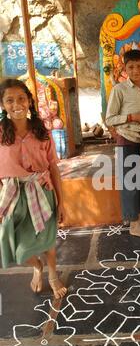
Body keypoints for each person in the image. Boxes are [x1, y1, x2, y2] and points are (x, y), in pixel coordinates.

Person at [0, 78, 67, 299]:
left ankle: (53, 275)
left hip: (42, 191)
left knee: (47, 239)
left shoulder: (42, 132)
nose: (16, 104)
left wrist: (61, 201)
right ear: (2, 105)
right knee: (13, 245)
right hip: (12, 196)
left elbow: (53, 168)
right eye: (9, 100)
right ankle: (36, 265)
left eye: (21, 98)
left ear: (29, 101)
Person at [106, 49, 140, 238]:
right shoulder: (119, 90)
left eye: (139, 66)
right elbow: (110, 118)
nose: (136, 70)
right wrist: (133, 117)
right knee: (130, 182)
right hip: (126, 139)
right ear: (125, 69)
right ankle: (133, 224)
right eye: (131, 67)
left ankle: (138, 218)